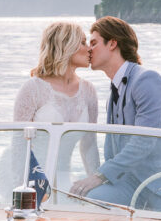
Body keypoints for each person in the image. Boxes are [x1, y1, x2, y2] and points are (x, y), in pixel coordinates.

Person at [70, 16, 161, 214]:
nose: (89, 49)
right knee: (90, 200)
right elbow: (112, 150)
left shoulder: (147, 80)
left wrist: (99, 176)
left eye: (94, 43)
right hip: (133, 184)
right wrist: (100, 180)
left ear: (112, 43)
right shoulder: (113, 93)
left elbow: (143, 141)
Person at [9, 22, 100, 191]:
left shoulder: (88, 90)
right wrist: (23, 190)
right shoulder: (33, 88)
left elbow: (89, 145)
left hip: (66, 180)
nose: (89, 49)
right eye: (83, 42)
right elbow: (19, 145)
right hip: (32, 180)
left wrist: (95, 184)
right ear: (65, 46)